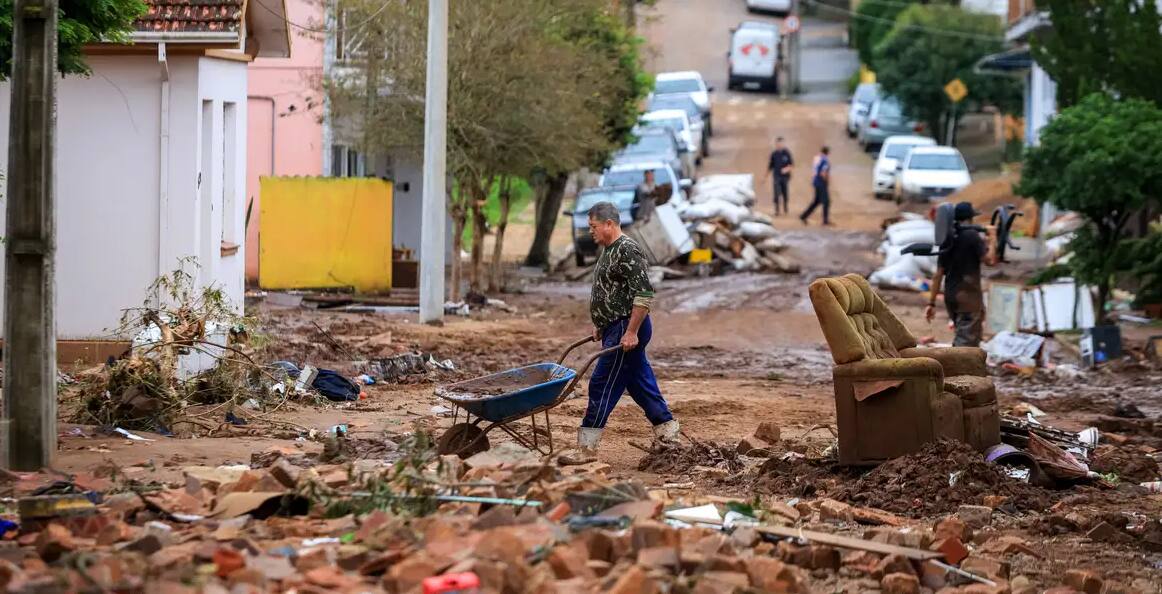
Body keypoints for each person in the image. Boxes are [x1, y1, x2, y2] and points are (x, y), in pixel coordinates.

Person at [559, 201, 680, 465]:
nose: (590, 232)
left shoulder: (627, 249)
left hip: (627, 328)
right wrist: (601, 322)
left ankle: (586, 449)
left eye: (593, 227)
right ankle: (669, 436)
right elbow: (611, 291)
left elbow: (644, 294)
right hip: (616, 327)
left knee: (601, 384)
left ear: (609, 224)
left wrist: (631, 332)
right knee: (640, 384)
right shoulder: (608, 250)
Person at [925, 202, 998, 347]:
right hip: (968, 298)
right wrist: (993, 237)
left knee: (966, 336)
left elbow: (938, 275)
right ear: (970, 218)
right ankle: (957, 368)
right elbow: (990, 261)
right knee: (964, 346)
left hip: (951, 297)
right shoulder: (972, 236)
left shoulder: (947, 239)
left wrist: (931, 303)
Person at [799, 146, 832, 226]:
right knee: (826, 201)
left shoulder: (817, 158)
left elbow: (815, 170)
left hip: (816, 182)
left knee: (816, 202)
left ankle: (803, 216)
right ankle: (825, 221)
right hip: (821, 183)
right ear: (828, 153)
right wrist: (827, 181)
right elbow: (823, 173)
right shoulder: (825, 160)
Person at [763, 137, 794, 215]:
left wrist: (786, 169)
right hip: (776, 176)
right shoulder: (774, 154)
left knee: (785, 193)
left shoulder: (787, 153)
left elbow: (791, 165)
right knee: (776, 193)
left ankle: (785, 206)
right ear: (776, 144)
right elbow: (770, 166)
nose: (779, 145)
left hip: (785, 177)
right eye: (778, 143)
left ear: (783, 144)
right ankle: (777, 210)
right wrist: (765, 176)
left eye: (781, 143)